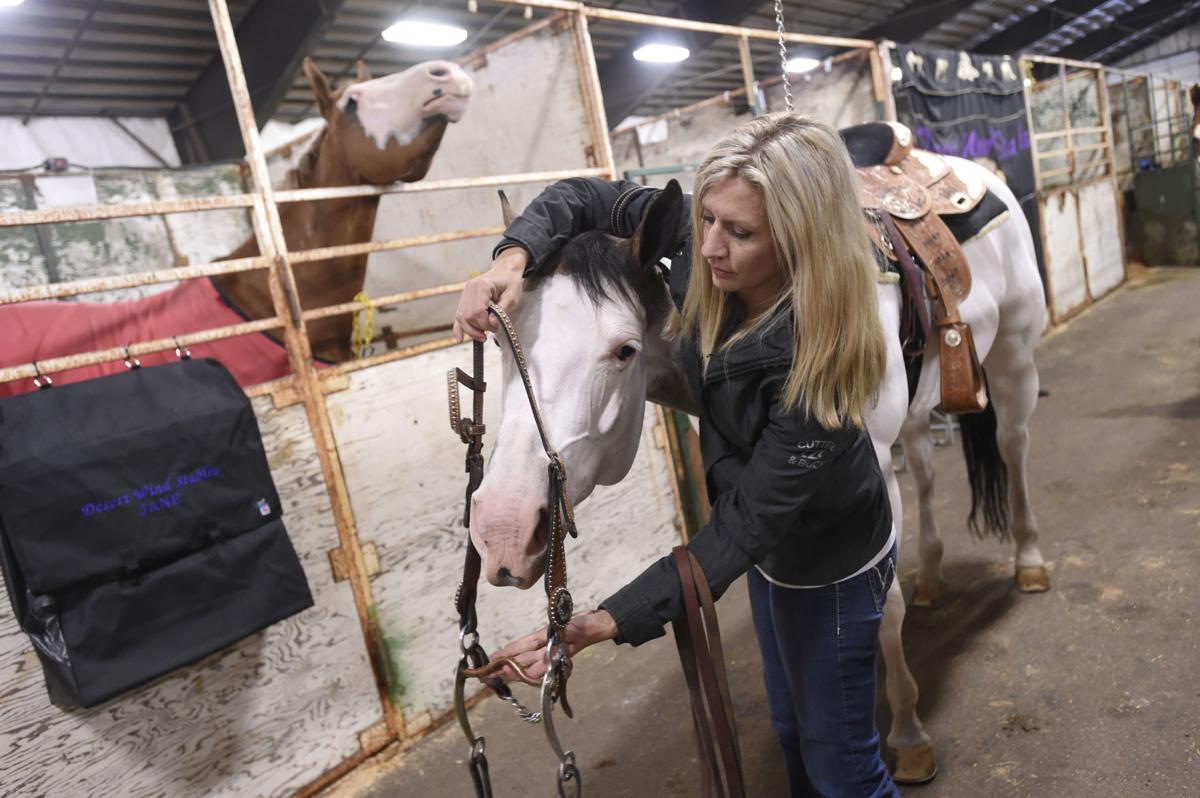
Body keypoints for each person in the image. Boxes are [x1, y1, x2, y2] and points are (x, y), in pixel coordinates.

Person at [453, 113, 900, 798]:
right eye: (706, 218)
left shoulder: (821, 365)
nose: (709, 248)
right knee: (788, 734)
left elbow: (744, 528)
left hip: (830, 565)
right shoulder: (708, 252)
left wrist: (602, 622)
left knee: (843, 762)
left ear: (798, 239)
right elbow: (584, 197)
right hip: (774, 561)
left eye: (740, 233)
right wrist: (510, 259)